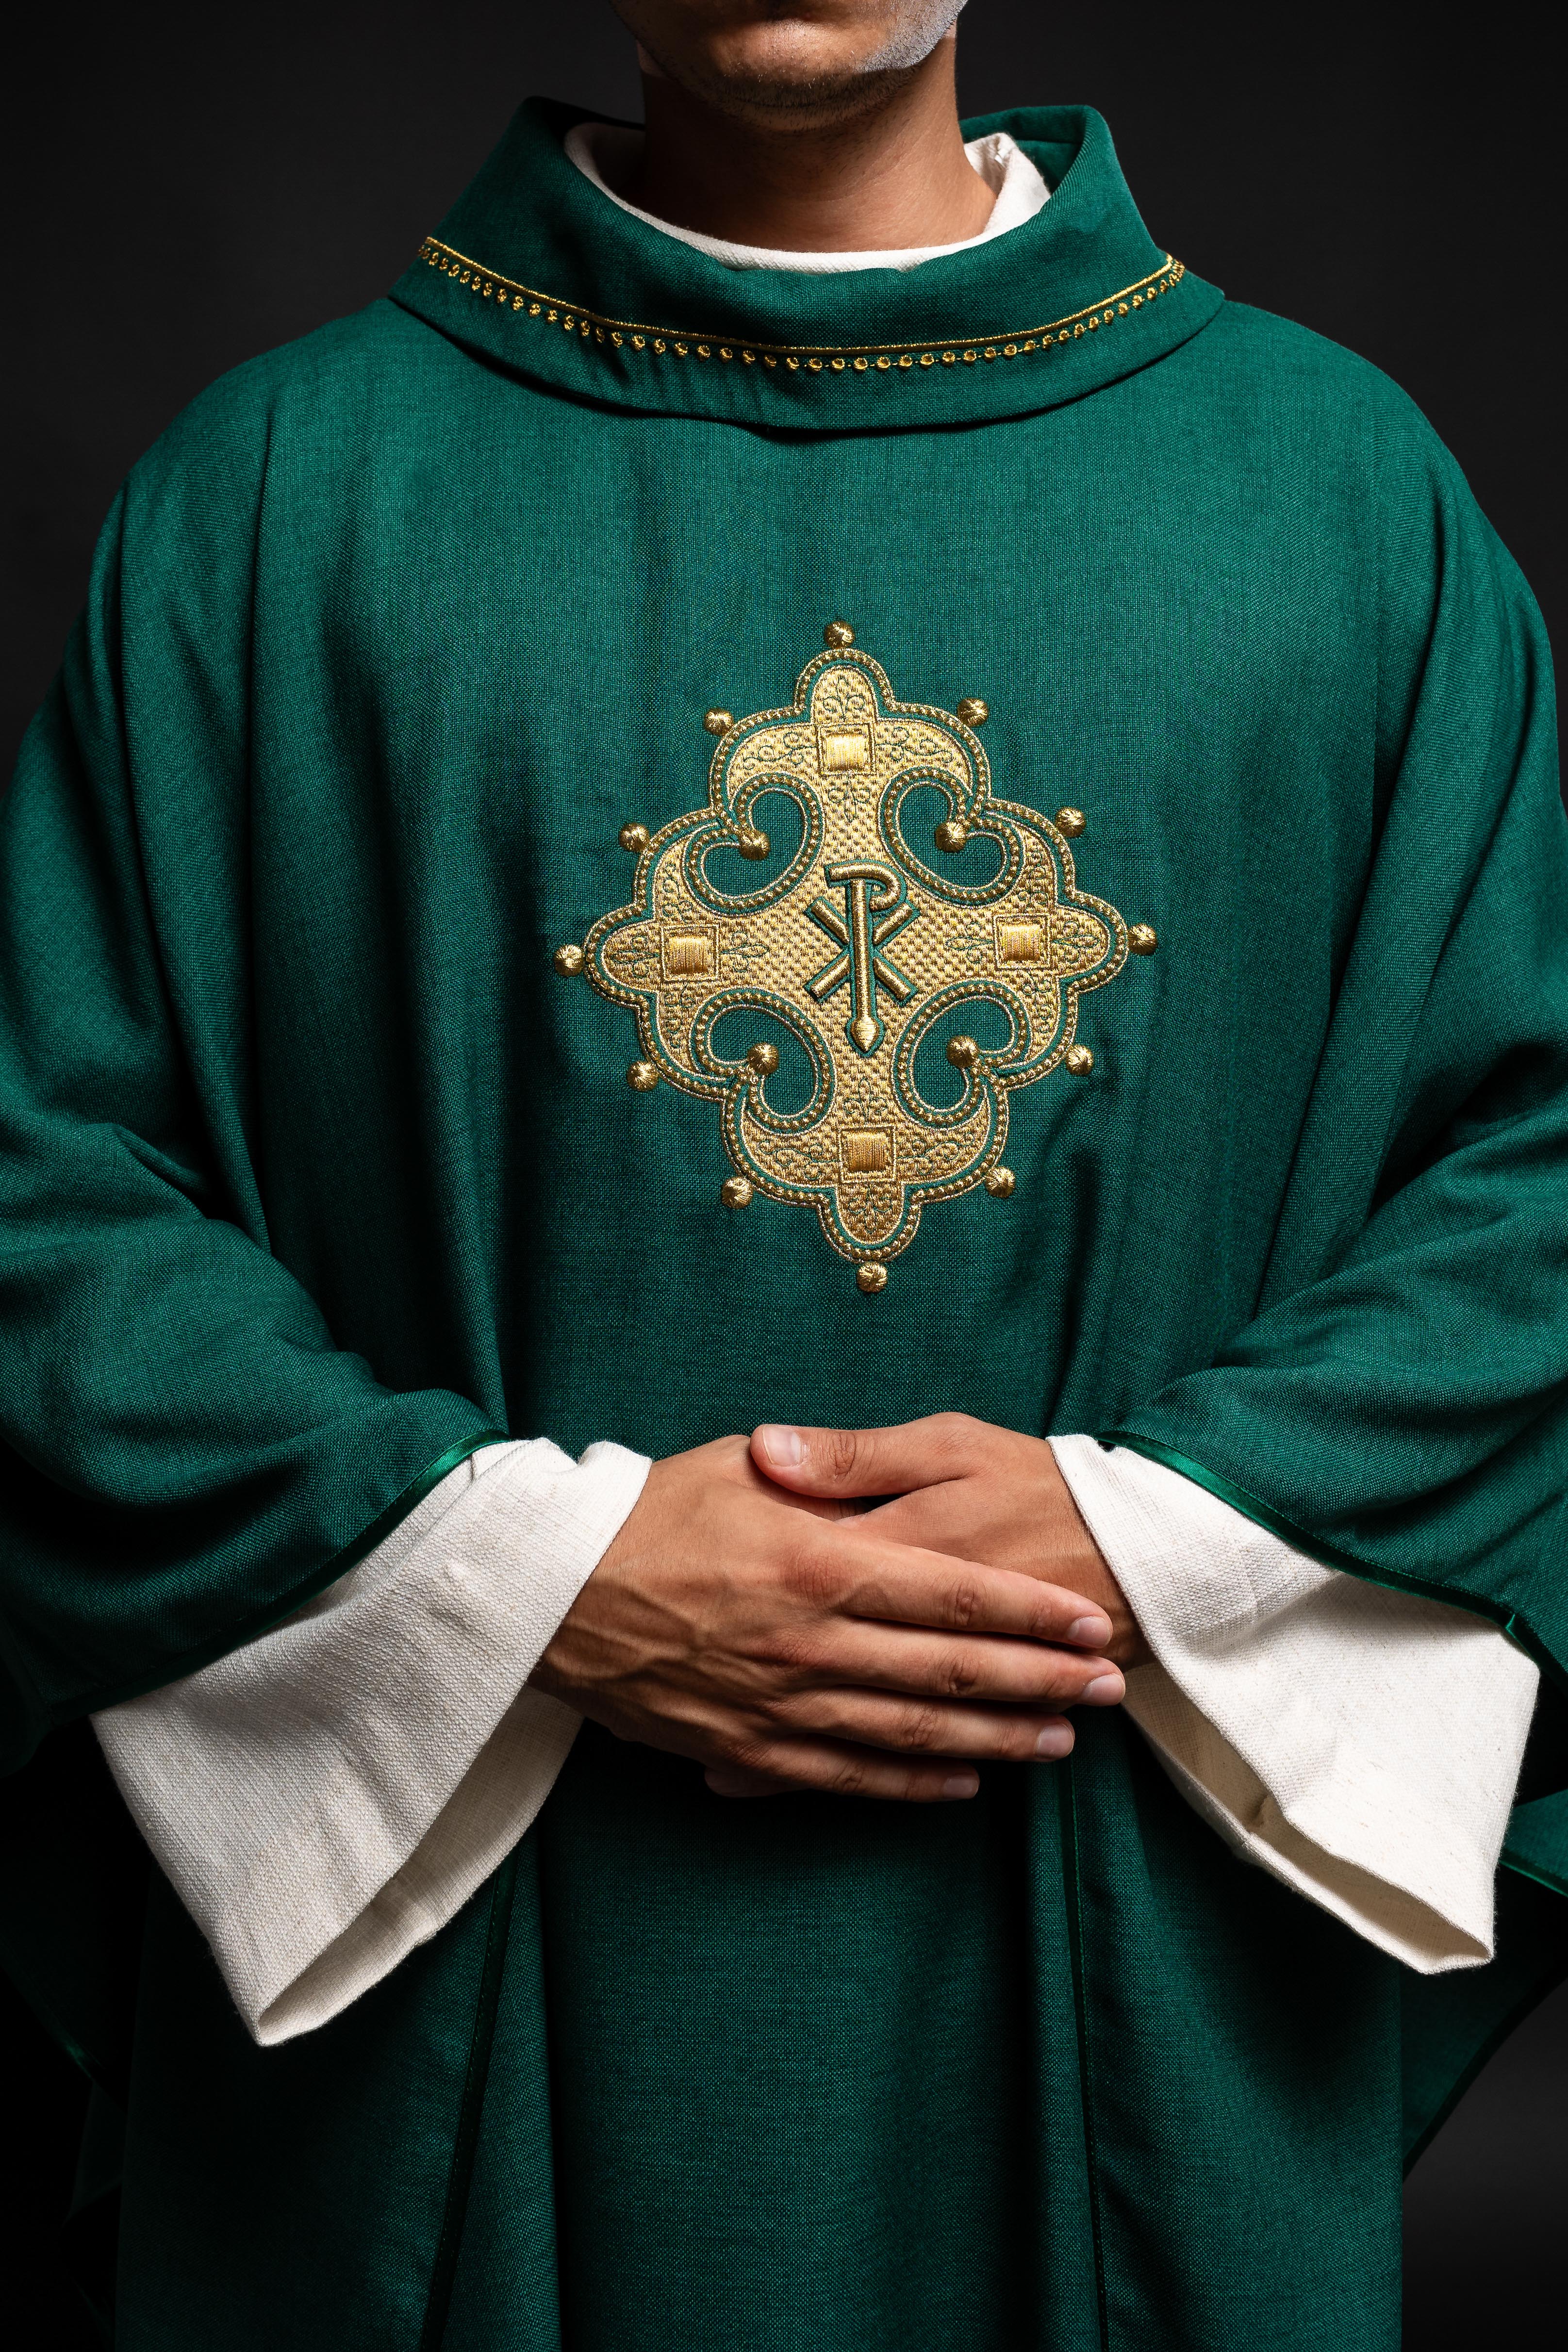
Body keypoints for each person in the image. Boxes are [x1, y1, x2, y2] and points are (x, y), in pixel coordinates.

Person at [1, 3, 1565, 2345]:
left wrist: (1148, 1540)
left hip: (1114, 1950)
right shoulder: (267, 507)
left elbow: (1532, 1177)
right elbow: (49, 1205)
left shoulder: (1344, 499)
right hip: (472, 2018)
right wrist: (531, 1581)